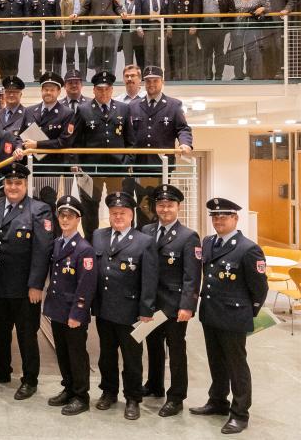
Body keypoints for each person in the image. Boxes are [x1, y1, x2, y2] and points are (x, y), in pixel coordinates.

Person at [190, 198, 269, 435]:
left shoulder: (248, 248)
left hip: (234, 315)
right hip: (211, 313)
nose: (218, 221)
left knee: (236, 366)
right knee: (216, 363)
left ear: (235, 218)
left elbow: (260, 288)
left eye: (224, 216)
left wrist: (248, 311)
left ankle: (240, 413)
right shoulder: (208, 242)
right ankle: (217, 401)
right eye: (215, 217)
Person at [0, 163, 54, 400]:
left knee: (27, 335)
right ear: (4, 184)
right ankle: (1, 370)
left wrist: (36, 284)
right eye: (9, 183)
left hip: (25, 288)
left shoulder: (39, 210)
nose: (13, 187)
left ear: (26, 185)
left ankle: (30, 379)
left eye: (18, 183)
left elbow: (42, 250)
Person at [92, 191, 158, 420]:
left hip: (131, 313)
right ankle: (109, 392)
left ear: (132, 215)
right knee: (106, 355)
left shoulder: (144, 241)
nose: (117, 216)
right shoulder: (98, 236)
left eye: (122, 213)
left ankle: (132, 398)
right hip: (104, 309)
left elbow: (149, 279)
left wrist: (146, 311)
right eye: (113, 213)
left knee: (132, 358)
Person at [141, 185, 202, 417]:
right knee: (153, 346)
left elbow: (192, 275)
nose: (164, 209)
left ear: (178, 207)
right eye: (161, 204)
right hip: (151, 303)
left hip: (175, 306)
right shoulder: (146, 231)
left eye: (169, 205)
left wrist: (188, 305)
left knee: (176, 351)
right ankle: (154, 385)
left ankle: (176, 397)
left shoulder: (188, 237)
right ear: (155, 207)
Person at [61, 71, 134, 239]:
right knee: (89, 209)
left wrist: (128, 161)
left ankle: (119, 239)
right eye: (100, 90)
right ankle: (91, 242)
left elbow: (130, 140)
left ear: (112, 90)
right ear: (93, 90)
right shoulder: (83, 109)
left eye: (107, 89)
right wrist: (77, 166)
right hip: (90, 171)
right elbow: (75, 140)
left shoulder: (123, 108)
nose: (103, 93)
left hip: (117, 169)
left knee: (118, 207)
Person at [43, 195, 97, 415]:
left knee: (76, 354)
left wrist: (77, 313)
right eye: (62, 215)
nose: (65, 220)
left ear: (78, 219)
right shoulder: (57, 243)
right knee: (62, 353)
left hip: (73, 312)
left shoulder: (84, 249)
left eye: (70, 216)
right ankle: (68, 388)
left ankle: (81, 396)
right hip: (57, 309)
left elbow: (86, 286)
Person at [129, 66, 193, 170]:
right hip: (138, 163)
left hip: (163, 164)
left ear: (162, 82)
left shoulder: (174, 105)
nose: (151, 84)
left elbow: (183, 128)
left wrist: (185, 143)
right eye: (148, 81)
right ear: (144, 82)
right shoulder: (133, 105)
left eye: (155, 80)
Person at [72, 0, 126, 73]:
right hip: (96, 26)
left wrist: (121, 13)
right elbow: (85, 8)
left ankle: (109, 73)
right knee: (98, 50)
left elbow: (116, 7)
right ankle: (99, 74)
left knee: (109, 50)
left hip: (110, 25)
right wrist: (77, 14)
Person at [258, 0, 297, 79]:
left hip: (278, 20)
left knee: (279, 46)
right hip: (263, 21)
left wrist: (287, 9)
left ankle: (281, 72)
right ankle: (268, 73)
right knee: (265, 48)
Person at [230, 0, 268, 80]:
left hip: (252, 29)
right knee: (238, 53)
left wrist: (263, 8)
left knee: (252, 52)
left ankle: (251, 75)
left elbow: (269, 6)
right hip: (237, 29)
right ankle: (238, 75)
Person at [200, 0, 236, 81]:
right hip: (205, 29)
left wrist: (224, 24)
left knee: (219, 53)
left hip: (219, 28)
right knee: (206, 54)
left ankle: (219, 75)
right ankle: (208, 75)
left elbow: (232, 11)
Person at [169, 0, 203, 80]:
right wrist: (169, 25)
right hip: (177, 28)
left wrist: (194, 24)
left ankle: (192, 75)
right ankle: (177, 75)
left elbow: (197, 10)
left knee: (191, 52)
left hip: (189, 27)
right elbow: (170, 11)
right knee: (177, 52)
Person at [135, 0, 172, 68]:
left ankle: (163, 76)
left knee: (162, 53)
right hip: (148, 27)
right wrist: (138, 26)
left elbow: (170, 10)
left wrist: (169, 25)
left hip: (162, 26)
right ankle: (149, 75)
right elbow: (138, 11)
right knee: (149, 52)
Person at [28, 0, 61, 75]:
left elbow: (57, 15)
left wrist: (58, 28)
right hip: (37, 30)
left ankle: (48, 76)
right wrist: (29, 28)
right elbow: (29, 15)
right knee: (37, 54)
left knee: (49, 54)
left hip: (49, 30)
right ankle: (37, 77)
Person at [59, 0, 88, 80]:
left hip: (82, 27)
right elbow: (61, 13)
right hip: (69, 28)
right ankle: (71, 77)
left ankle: (83, 77)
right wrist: (62, 28)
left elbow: (88, 12)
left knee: (83, 53)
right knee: (70, 53)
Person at [120, 0, 144, 68]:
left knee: (140, 56)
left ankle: (141, 78)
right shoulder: (121, 4)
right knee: (128, 57)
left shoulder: (139, 2)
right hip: (126, 33)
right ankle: (129, 75)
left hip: (137, 31)